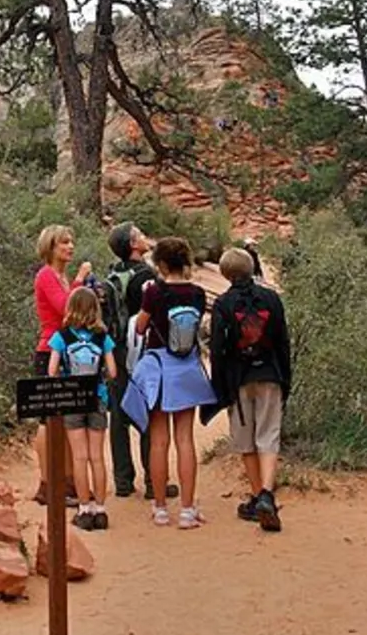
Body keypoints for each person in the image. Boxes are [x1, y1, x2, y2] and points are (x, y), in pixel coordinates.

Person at [131, 236, 218, 529]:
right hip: (187, 370)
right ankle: (187, 509)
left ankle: (159, 509)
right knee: (185, 440)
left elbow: (141, 327)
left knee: (159, 441)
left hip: (159, 370)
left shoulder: (154, 291)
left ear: (162, 264)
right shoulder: (196, 293)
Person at [209, 247, 292, 533]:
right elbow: (283, 342)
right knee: (268, 436)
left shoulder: (223, 304)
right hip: (270, 374)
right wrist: (286, 379)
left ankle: (257, 498)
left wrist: (219, 387)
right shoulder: (271, 298)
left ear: (225, 273)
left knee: (246, 441)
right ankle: (267, 495)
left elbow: (218, 350)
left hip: (239, 378)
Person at [104, 222, 174, 501]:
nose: (146, 238)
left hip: (116, 349)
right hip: (143, 350)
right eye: (140, 235)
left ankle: (123, 481)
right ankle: (153, 480)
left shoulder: (113, 273)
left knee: (118, 416)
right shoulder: (146, 276)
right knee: (149, 411)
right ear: (133, 244)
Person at [48, 287, 118, 531]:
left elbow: (51, 370)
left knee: (79, 457)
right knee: (97, 456)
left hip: (73, 399)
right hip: (96, 397)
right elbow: (113, 371)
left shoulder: (62, 336)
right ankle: (101, 509)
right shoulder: (102, 337)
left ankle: (84, 508)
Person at [33, 224, 92, 506]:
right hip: (50, 353)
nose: (70, 247)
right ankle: (47, 483)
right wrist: (81, 280)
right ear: (51, 247)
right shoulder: (47, 275)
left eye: (71, 241)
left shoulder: (61, 276)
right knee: (47, 420)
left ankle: (68, 482)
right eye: (63, 243)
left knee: (68, 418)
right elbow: (66, 309)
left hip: (68, 352)